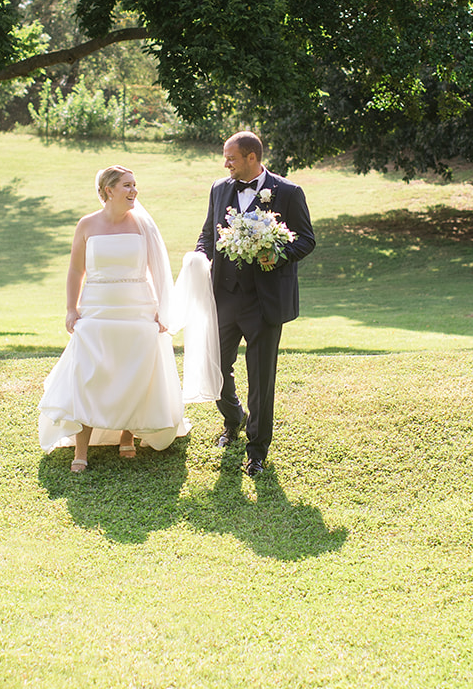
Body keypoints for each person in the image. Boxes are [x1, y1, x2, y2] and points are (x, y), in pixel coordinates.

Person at [38, 166, 191, 472]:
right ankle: (81, 449)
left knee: (134, 372)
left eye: (135, 185)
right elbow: (75, 271)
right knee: (88, 374)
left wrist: (162, 311)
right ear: (108, 190)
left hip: (137, 308)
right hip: (96, 309)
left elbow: (158, 272)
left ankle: (127, 435)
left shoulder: (142, 225)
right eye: (126, 185)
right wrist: (72, 309)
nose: (134, 191)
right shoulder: (87, 225)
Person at [195, 131, 316, 477]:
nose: (225, 163)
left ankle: (257, 450)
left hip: (265, 302)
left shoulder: (288, 193)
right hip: (225, 296)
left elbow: (306, 240)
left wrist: (274, 255)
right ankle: (233, 418)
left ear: (252, 157)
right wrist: (200, 258)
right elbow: (208, 233)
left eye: (231, 157)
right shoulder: (219, 189)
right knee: (215, 366)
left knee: (261, 378)